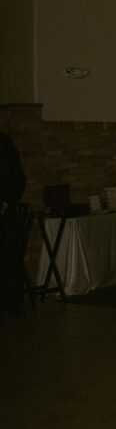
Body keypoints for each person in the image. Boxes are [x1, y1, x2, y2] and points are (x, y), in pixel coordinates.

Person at [0, 131, 27, 319]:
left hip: (3, 215)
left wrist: (5, 202)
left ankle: (10, 304)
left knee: (7, 258)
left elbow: (17, 178)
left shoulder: (3, 142)